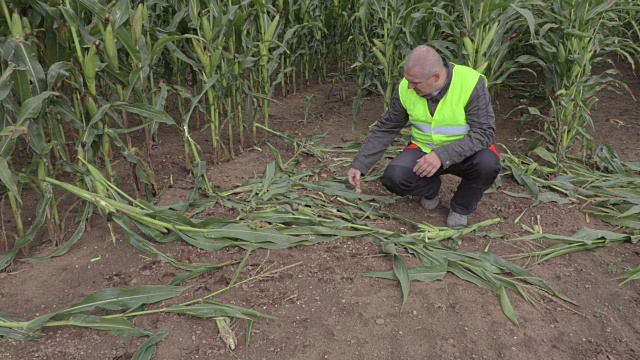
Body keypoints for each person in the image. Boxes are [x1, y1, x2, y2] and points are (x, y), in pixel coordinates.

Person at [347, 45, 501, 228]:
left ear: (436, 77)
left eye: (416, 83)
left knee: (488, 164)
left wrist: (442, 155)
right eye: (408, 81)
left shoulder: (469, 82)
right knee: (394, 177)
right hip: (424, 150)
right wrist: (360, 164)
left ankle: (461, 207)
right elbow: (387, 127)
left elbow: (484, 132)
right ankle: (430, 188)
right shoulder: (406, 87)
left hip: (467, 153)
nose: (409, 87)